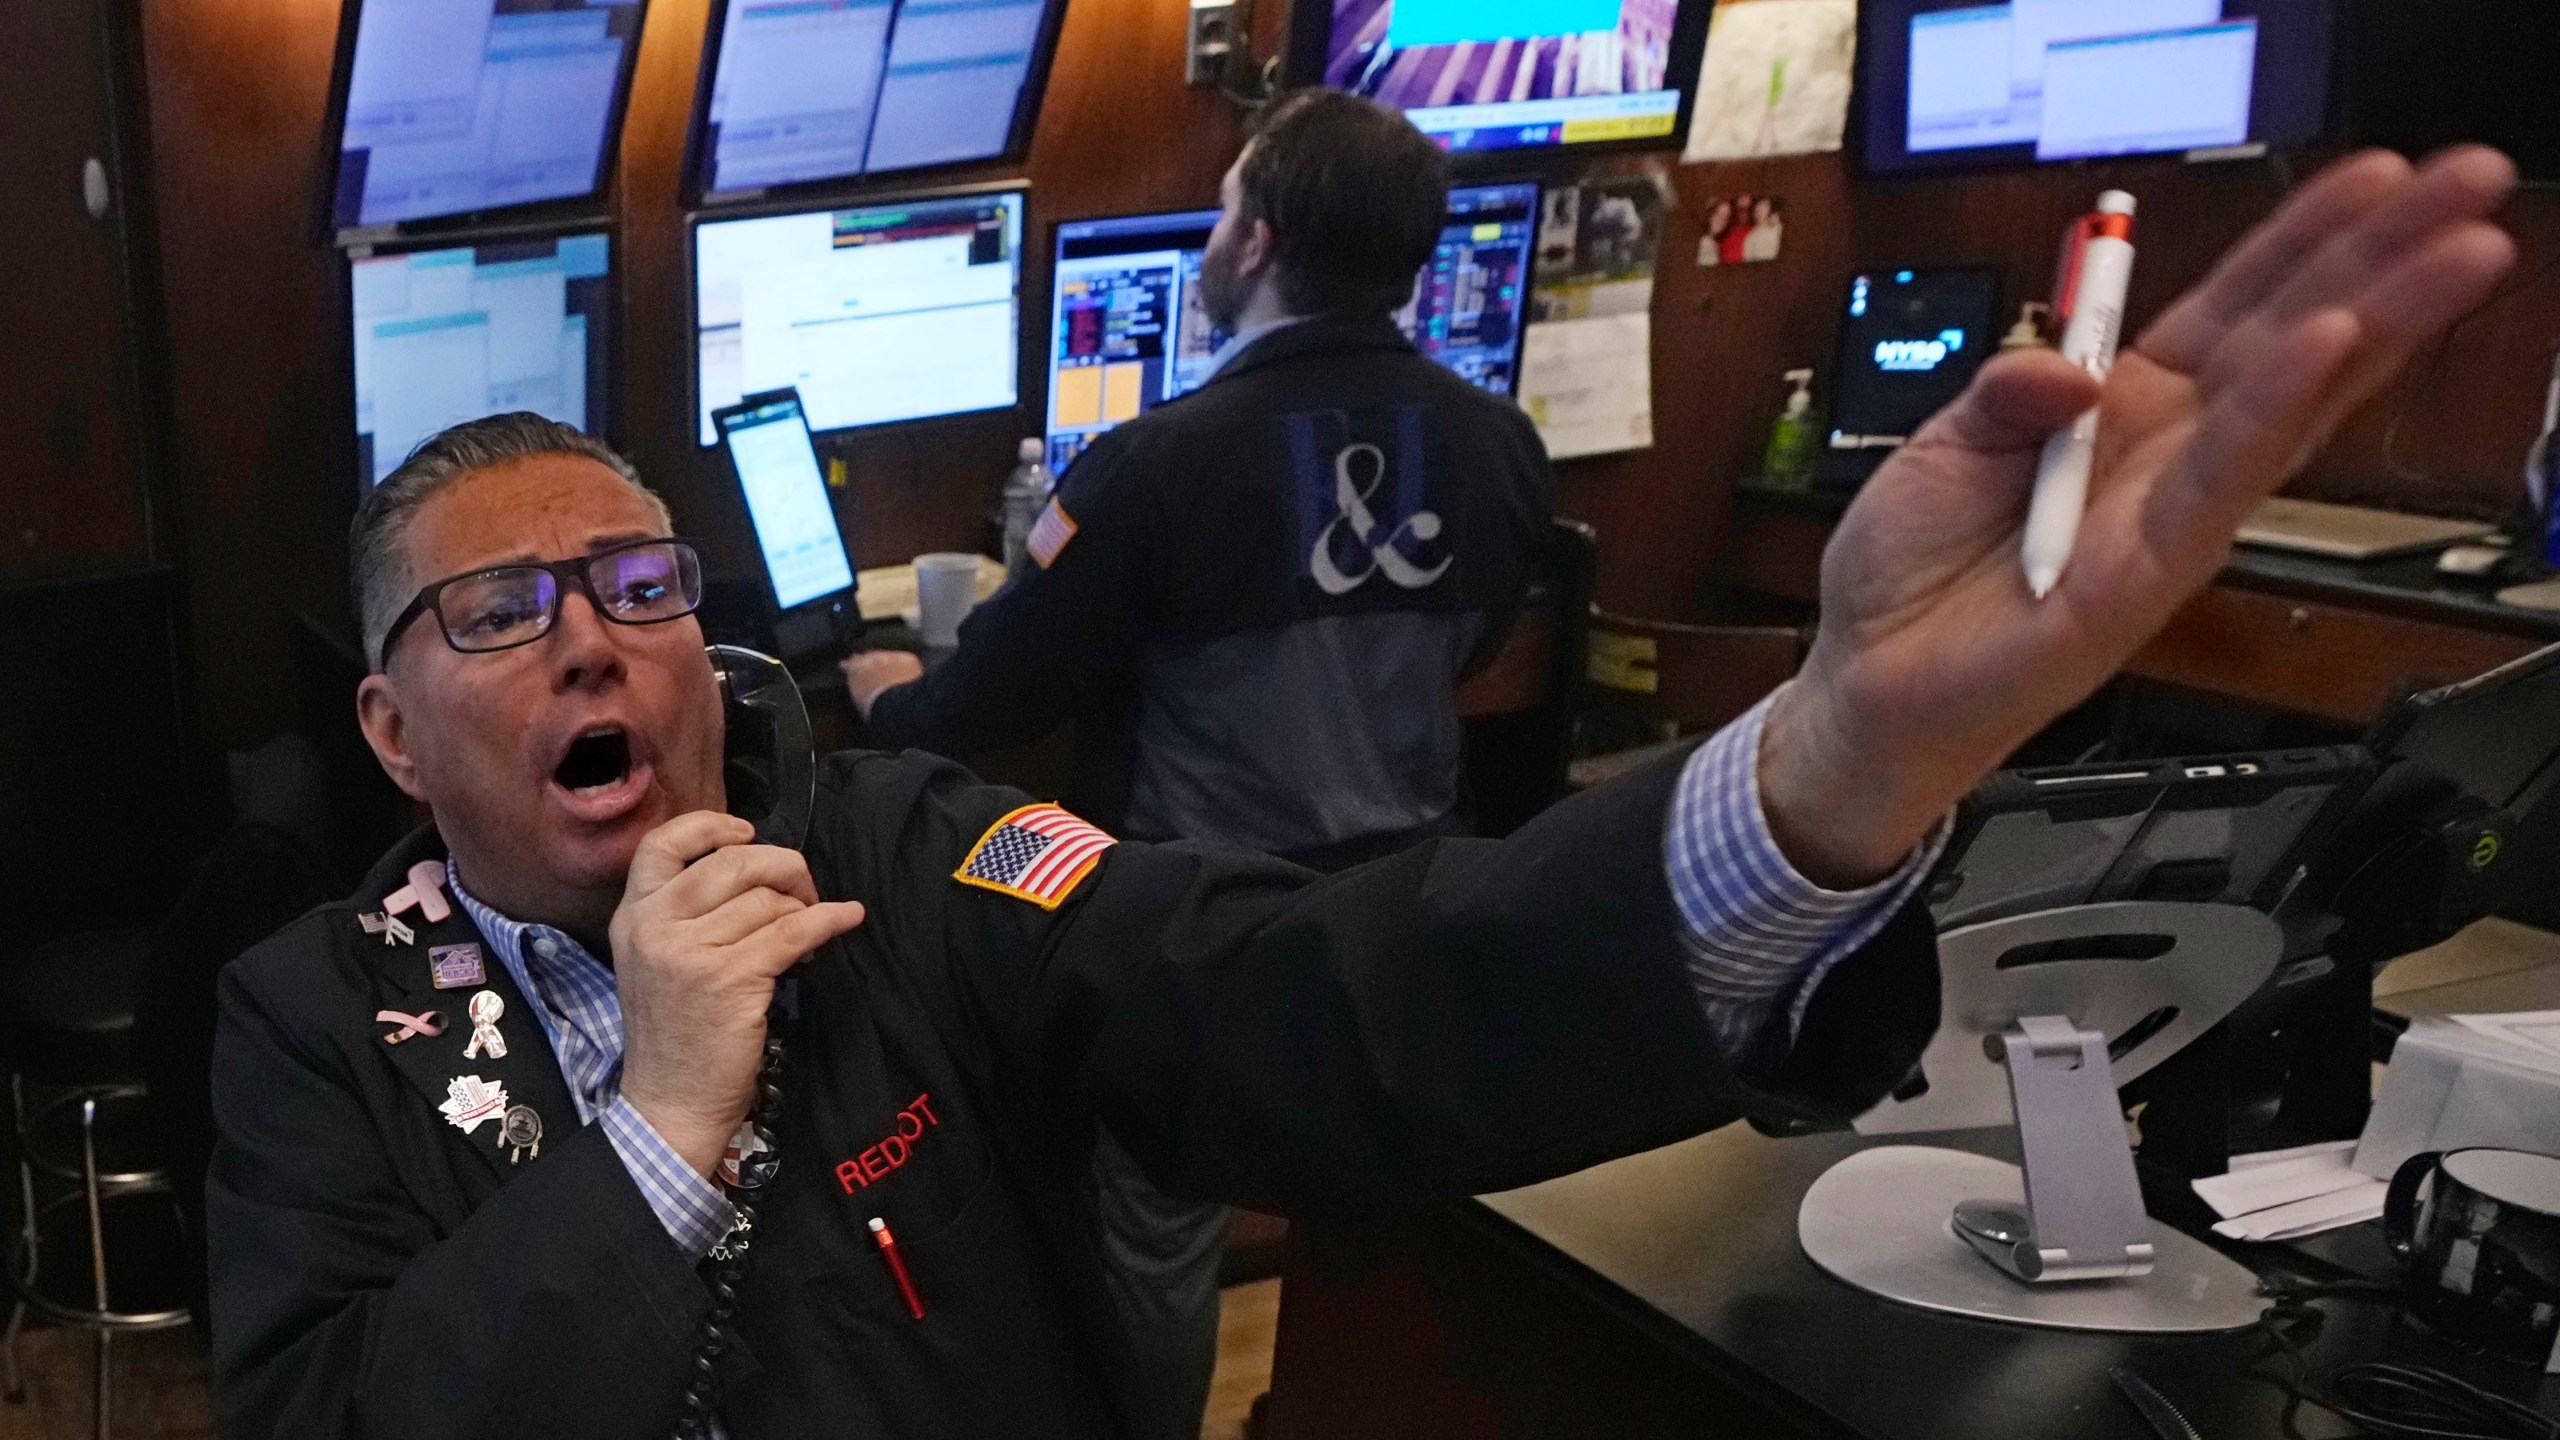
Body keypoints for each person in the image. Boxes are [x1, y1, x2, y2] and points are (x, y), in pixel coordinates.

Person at [207, 142, 2519, 1440]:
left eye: (632, 579)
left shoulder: (900, 861)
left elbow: (1321, 991)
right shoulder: (317, 1024)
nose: (593, 633)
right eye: (497, 615)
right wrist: (652, 1137)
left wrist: (1826, 765)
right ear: (395, 740)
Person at [845, 90, 1554, 1437]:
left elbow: (984, 701)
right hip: (1411, 923)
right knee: (1379, 1200)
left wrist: (887, 697)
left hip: (1199, 942)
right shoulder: (1497, 445)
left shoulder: (1156, 463)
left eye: (1226, 207)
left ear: (1262, 236)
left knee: (1153, 1232)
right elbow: (1473, 653)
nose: (1218, 234)